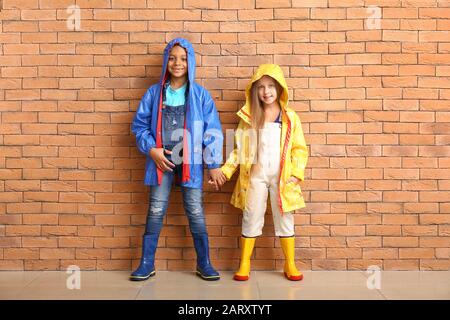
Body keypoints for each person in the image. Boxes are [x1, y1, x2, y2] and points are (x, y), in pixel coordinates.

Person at [130, 38, 225, 281]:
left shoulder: (200, 96)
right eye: (172, 58)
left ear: (190, 62)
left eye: (183, 58)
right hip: (161, 161)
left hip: (190, 162)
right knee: (156, 209)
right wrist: (152, 150)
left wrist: (213, 165)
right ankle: (146, 263)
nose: (177, 63)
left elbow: (211, 131)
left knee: (195, 210)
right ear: (165, 61)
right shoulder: (153, 94)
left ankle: (204, 263)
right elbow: (140, 126)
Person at [214, 64, 308, 281]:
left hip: (282, 177)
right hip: (255, 176)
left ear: (280, 88)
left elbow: (299, 148)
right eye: (261, 87)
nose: (266, 91)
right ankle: (244, 262)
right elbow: (238, 150)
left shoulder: (290, 118)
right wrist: (226, 172)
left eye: (271, 86)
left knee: (285, 217)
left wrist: (296, 173)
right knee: (251, 215)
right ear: (254, 91)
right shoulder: (248, 118)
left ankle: (290, 263)